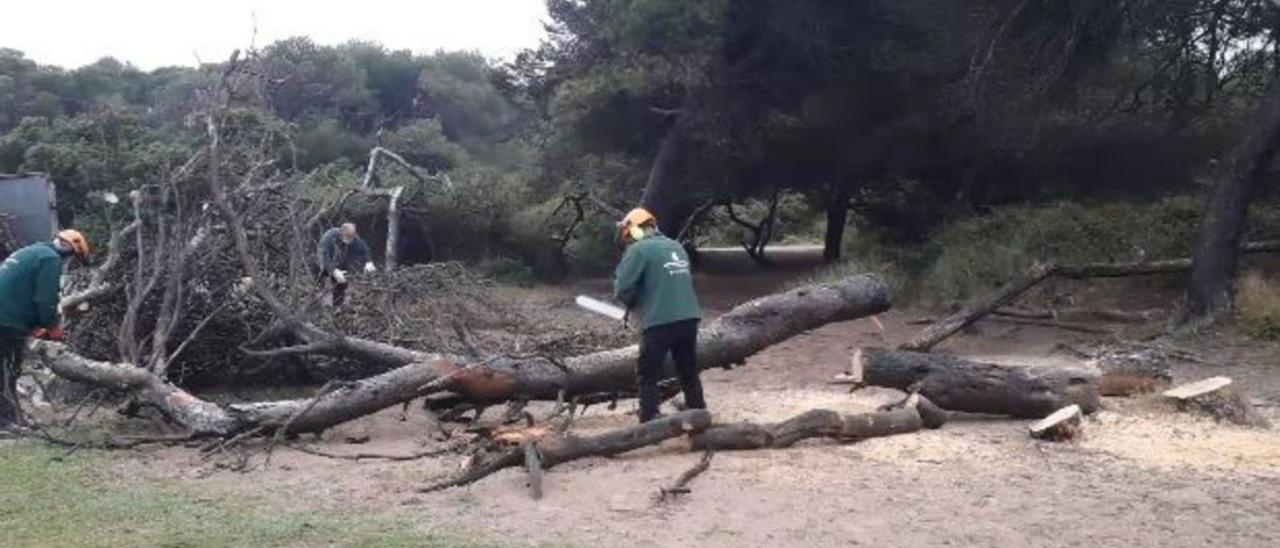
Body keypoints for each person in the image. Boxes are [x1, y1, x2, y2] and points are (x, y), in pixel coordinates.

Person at [613, 207, 706, 423]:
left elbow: (622, 289)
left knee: (648, 373)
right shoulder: (676, 247)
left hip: (659, 321)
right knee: (687, 369)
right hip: (689, 317)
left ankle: (650, 417)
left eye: (629, 236)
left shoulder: (638, 250)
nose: (628, 241)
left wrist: (633, 303)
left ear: (634, 231)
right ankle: (698, 410)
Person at [0, 230, 91, 430]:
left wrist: (33, 326)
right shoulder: (50, 259)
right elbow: (45, 299)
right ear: (70, 249)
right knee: (9, 370)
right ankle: (5, 423)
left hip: (7, 316)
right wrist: (52, 327)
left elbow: (19, 291)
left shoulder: (32, 251)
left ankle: (10, 419)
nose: (69, 264)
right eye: (73, 259)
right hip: (6, 321)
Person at [316, 222, 376, 307]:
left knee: (341, 285)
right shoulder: (329, 237)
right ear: (341, 234)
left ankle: (337, 308)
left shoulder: (354, 238)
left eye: (352, 238)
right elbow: (323, 256)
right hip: (324, 261)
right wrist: (333, 270)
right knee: (319, 283)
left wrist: (369, 262)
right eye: (348, 238)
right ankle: (318, 305)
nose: (351, 241)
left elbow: (365, 248)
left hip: (340, 261)